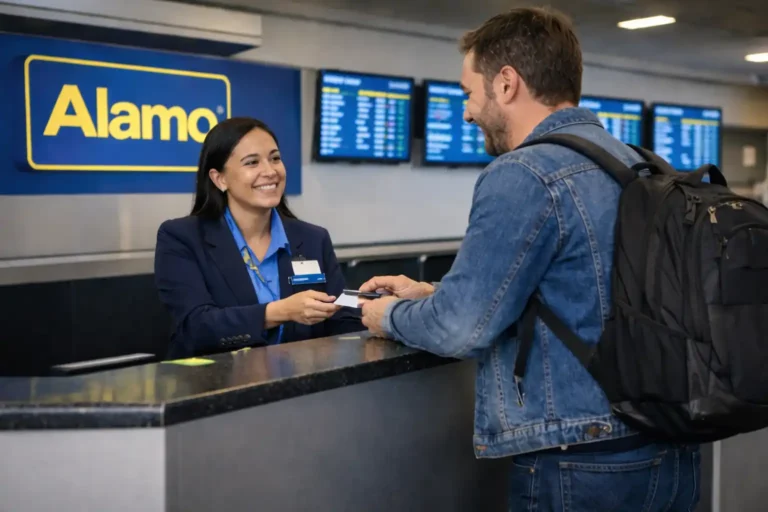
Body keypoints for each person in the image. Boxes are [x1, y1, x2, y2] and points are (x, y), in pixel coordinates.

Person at [359, 7, 700, 511]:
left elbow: (460, 330)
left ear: (506, 83)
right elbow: (588, 291)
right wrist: (431, 292)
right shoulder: (639, 163)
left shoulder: (525, 172)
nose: (467, 112)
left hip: (581, 463)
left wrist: (384, 315)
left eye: (468, 94)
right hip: (671, 453)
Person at [155, 117, 362, 359]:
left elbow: (343, 318)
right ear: (219, 179)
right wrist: (279, 312)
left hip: (305, 386)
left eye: (275, 158)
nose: (270, 171)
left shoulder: (313, 238)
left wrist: (381, 310)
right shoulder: (182, 238)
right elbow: (196, 327)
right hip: (217, 387)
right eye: (252, 163)